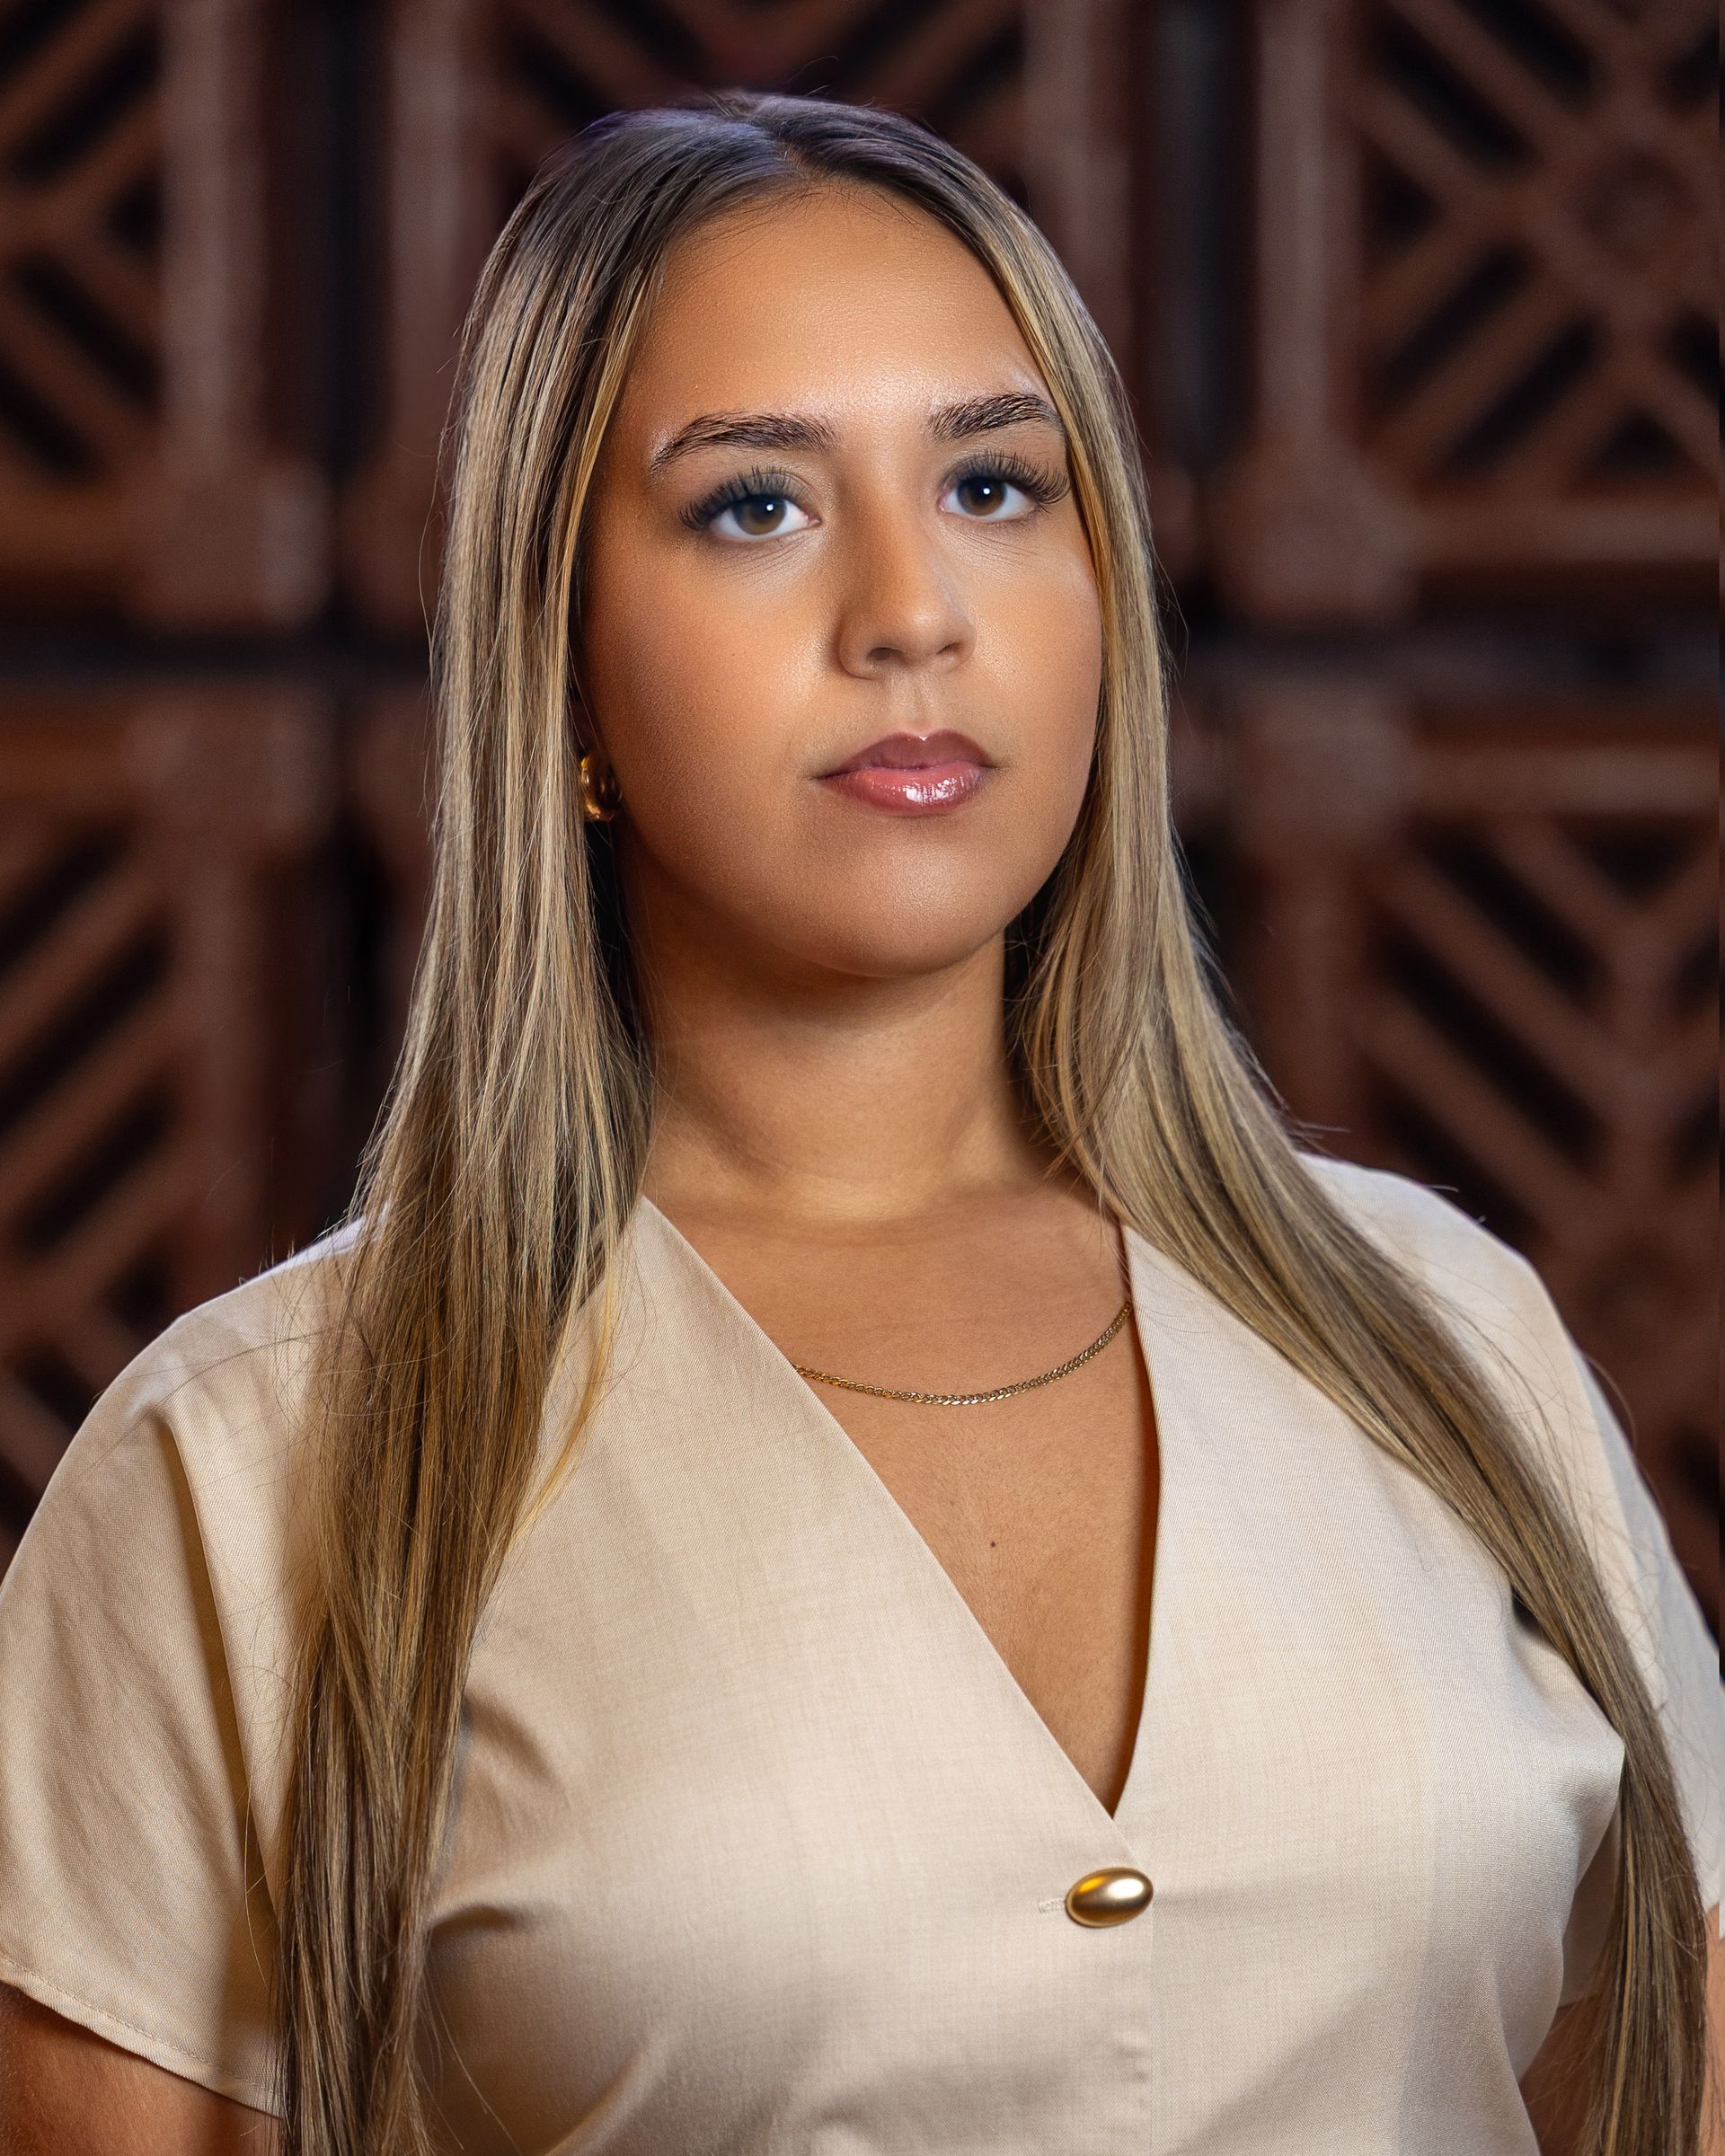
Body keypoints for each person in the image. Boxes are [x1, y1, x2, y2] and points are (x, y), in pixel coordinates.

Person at [0, 89, 1718, 2156]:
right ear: (555, 671)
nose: (915, 611)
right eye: (755, 506)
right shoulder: (252, 1466)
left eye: (997, 482)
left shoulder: (1454, 1337)